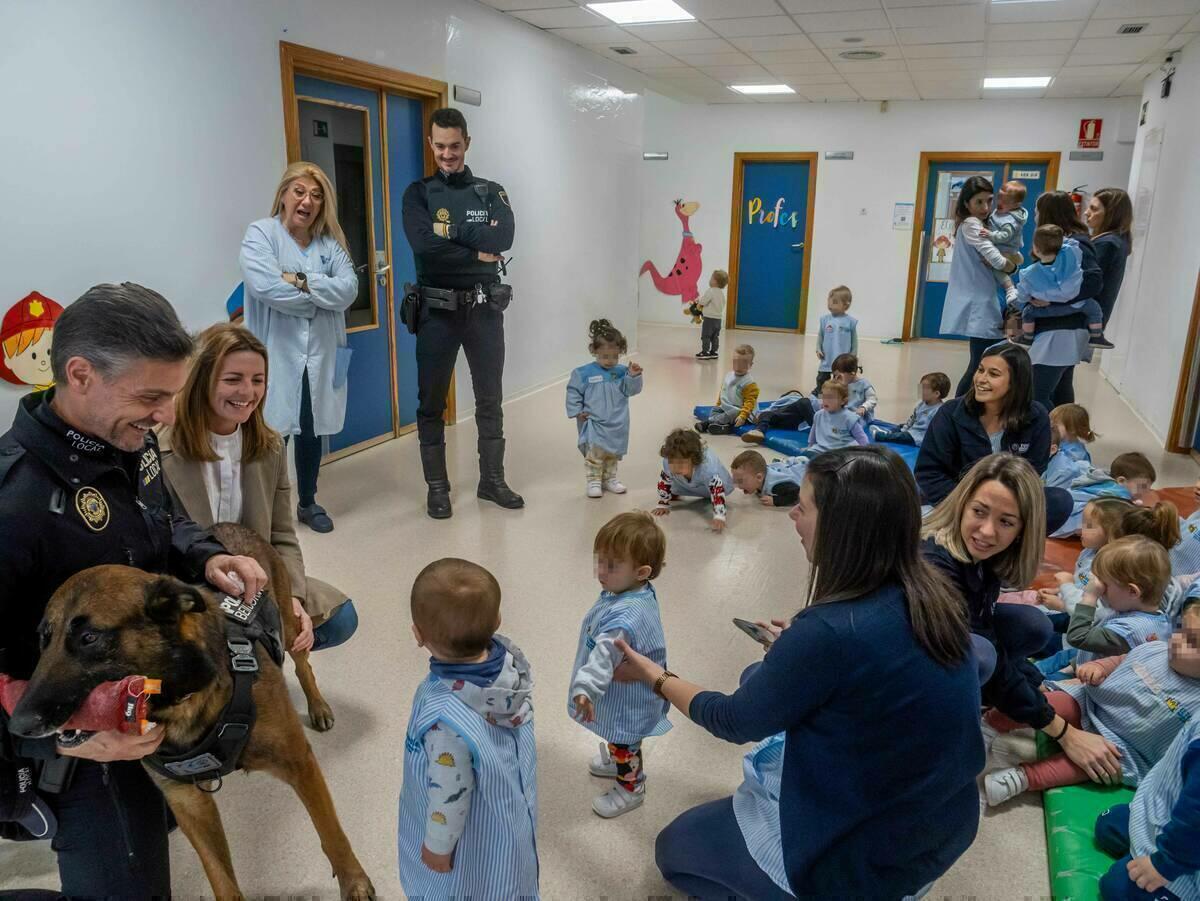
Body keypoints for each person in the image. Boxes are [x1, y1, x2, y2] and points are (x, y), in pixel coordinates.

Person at [614, 447, 983, 898]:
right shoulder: (932, 591)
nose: (792, 515)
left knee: (675, 850)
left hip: (867, 856)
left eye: (804, 507)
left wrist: (656, 676)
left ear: (841, 527)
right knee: (758, 672)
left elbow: (732, 720)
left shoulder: (830, 631)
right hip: (942, 824)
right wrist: (798, 649)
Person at [0, 283, 266, 896]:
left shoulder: (126, 438)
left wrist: (210, 555)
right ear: (80, 374)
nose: (165, 418)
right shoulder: (15, 502)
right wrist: (69, 741)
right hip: (77, 751)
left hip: (146, 704)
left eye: (171, 397)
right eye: (151, 397)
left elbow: (162, 519)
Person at [922, 454, 1125, 789]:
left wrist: (1032, 681)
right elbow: (987, 652)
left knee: (1033, 627)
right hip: (907, 666)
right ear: (962, 504)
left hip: (959, 637)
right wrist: (1064, 731)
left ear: (1021, 530)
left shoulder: (980, 555)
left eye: (1006, 522)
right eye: (979, 511)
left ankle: (983, 693)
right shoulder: (937, 564)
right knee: (982, 657)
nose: (987, 531)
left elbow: (985, 625)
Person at [160, 324, 359, 659]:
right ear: (202, 380)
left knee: (340, 619)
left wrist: (291, 596)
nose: (248, 392)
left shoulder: (270, 447)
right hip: (190, 583)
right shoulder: (158, 447)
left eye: (257, 380)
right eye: (233, 379)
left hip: (254, 581)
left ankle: (258, 655)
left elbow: (282, 534)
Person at [401, 107, 520, 520]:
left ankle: (492, 480)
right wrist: (474, 246)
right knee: (431, 403)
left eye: (454, 145)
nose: (447, 154)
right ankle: (438, 488)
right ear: (431, 145)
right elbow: (422, 244)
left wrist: (448, 231)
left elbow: (503, 236)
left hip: (484, 309)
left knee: (490, 398)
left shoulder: (490, 191)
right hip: (436, 313)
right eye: (440, 146)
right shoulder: (418, 193)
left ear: (467, 142)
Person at [398, 558, 537, 898]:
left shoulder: (446, 719)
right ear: (497, 621)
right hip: (509, 819)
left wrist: (437, 847)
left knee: (466, 886)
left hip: (469, 839)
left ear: (418, 635)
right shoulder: (509, 676)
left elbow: (450, 793)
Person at [985, 596, 1200, 809]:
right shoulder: (1156, 649)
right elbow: (1122, 659)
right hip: (1090, 705)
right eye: (1180, 632)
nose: (1177, 642)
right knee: (1045, 702)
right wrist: (1099, 667)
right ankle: (989, 725)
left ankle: (1022, 778)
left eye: (1191, 642)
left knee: (1089, 768)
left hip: (1123, 748)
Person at [240, 161, 359, 534]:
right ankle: (266, 516)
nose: (308, 201)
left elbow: (349, 290)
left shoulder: (330, 245)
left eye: (317, 195)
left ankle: (308, 503)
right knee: (272, 435)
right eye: (300, 192)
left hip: (321, 356)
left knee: (311, 430)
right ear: (284, 195)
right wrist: (320, 294)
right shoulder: (261, 234)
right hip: (275, 354)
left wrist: (301, 281)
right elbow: (266, 288)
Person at [569, 512, 670, 818]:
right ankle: (617, 757)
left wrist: (585, 688)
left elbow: (603, 657)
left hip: (627, 697)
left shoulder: (624, 619)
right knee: (619, 736)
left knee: (625, 739)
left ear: (642, 571)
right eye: (600, 560)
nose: (601, 571)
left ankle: (631, 787)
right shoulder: (633, 591)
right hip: (623, 687)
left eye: (611, 565)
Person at [915, 342, 1057, 512]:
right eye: (980, 370)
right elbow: (929, 473)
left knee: (1059, 501)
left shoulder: (1036, 416)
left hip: (1008, 503)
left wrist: (1003, 505)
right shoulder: (951, 413)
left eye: (993, 374)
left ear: (1016, 382)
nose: (981, 379)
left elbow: (1034, 471)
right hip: (957, 502)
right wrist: (973, 506)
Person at [1094, 709, 1200, 899]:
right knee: (1108, 824)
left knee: (1116, 886)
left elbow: (1195, 815)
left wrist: (1166, 864)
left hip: (1188, 850)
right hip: (1166, 812)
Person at [938, 176, 1018, 398]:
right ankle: (957, 411)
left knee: (984, 362)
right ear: (966, 203)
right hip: (980, 305)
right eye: (979, 202)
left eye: (989, 201)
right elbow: (998, 260)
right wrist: (1010, 266)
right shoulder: (971, 224)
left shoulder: (982, 224)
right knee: (981, 364)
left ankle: (965, 410)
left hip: (988, 301)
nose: (985, 207)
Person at [1027, 191, 1106, 408]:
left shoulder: (1075, 244)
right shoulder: (1065, 242)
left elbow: (1093, 282)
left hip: (1063, 327)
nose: (1034, 217)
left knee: (1037, 393)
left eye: (1037, 212)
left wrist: (1052, 299)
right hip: (1061, 327)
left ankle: (1048, 437)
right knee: (1060, 388)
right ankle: (1061, 438)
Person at [565, 319, 644, 498]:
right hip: (594, 420)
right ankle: (593, 481)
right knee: (596, 451)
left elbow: (631, 390)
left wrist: (633, 376)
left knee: (612, 452)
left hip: (617, 420)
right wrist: (577, 411)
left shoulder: (622, 371)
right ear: (594, 351)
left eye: (615, 357)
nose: (610, 361)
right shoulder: (583, 373)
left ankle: (610, 478)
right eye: (605, 357)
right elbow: (573, 392)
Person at [1014, 225, 1104, 346]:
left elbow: (1022, 296)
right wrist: (1058, 240)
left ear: (1036, 249)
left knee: (1027, 312)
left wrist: (1028, 300)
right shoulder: (1071, 255)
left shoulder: (1028, 274)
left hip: (1047, 309)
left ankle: (1027, 338)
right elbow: (1073, 243)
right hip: (1076, 304)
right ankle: (1096, 336)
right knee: (1094, 308)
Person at [654, 428, 730, 532]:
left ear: (694, 460)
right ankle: (680, 489)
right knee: (673, 479)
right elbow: (664, 481)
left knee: (714, 489)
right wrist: (663, 503)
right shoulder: (668, 462)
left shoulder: (707, 470)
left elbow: (717, 490)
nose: (676, 467)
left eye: (681, 463)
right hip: (689, 480)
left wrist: (719, 515)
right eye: (672, 461)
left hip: (713, 485)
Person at [1085, 186, 1134, 345]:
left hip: (1081, 319)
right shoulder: (1116, 241)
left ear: (1111, 214)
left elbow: (1086, 283)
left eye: (1094, 209)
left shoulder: (1108, 244)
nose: (1086, 213)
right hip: (1089, 320)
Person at [872, 371, 950, 446]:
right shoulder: (921, 404)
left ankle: (882, 436)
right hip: (913, 430)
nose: (920, 391)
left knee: (904, 437)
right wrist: (905, 429)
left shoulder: (939, 411)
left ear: (936, 394)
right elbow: (912, 419)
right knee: (901, 426)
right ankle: (888, 432)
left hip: (919, 437)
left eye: (924, 388)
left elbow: (937, 432)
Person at [983, 179, 1028, 305]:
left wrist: (990, 234)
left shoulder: (1010, 220)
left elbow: (1005, 236)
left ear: (1016, 205)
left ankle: (1010, 289)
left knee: (996, 268)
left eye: (1006, 201)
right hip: (1008, 249)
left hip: (1005, 248)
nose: (1000, 203)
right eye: (999, 198)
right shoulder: (1002, 212)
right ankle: (1017, 258)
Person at [696, 344, 757, 435]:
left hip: (742, 412)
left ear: (750, 365)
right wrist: (718, 404)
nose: (738, 367)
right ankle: (724, 427)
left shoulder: (749, 383)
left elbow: (750, 403)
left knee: (733, 412)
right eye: (736, 362)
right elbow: (723, 391)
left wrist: (743, 416)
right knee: (715, 411)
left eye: (743, 364)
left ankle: (708, 423)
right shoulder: (729, 376)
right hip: (726, 407)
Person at [801, 380, 869, 457]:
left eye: (830, 398)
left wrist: (864, 453)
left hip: (841, 452)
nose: (826, 400)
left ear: (843, 401)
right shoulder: (818, 415)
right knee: (805, 457)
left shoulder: (849, 417)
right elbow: (813, 434)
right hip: (821, 449)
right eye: (824, 396)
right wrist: (810, 446)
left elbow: (861, 437)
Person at [813, 286, 856, 396]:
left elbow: (854, 341)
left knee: (841, 379)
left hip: (842, 360)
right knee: (822, 377)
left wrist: (853, 356)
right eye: (829, 301)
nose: (830, 305)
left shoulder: (850, 322)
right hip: (827, 357)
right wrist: (818, 349)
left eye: (835, 302)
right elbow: (820, 336)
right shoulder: (825, 320)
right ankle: (820, 394)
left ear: (846, 305)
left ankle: (840, 395)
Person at [1044, 402, 1097, 489]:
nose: (1050, 427)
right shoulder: (1061, 443)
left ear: (1072, 429)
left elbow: (1066, 473)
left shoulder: (1075, 453)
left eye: (1055, 425)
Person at [729, 449, 807, 508]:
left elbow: (795, 492)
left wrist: (776, 501)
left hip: (805, 469)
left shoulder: (776, 485)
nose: (739, 486)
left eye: (740, 481)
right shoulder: (760, 478)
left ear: (759, 478)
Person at [830, 352, 877, 422]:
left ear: (852, 373)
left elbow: (872, 399)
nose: (837, 378)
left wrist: (863, 408)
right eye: (835, 375)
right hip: (844, 414)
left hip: (859, 416)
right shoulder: (839, 383)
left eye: (839, 376)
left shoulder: (864, 384)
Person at [695, 270, 728, 360]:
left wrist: (699, 304)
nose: (710, 280)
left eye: (711, 278)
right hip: (718, 319)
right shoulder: (721, 294)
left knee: (706, 335)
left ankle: (705, 352)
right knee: (715, 336)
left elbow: (704, 301)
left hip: (709, 319)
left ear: (715, 281)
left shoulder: (711, 291)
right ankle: (714, 352)